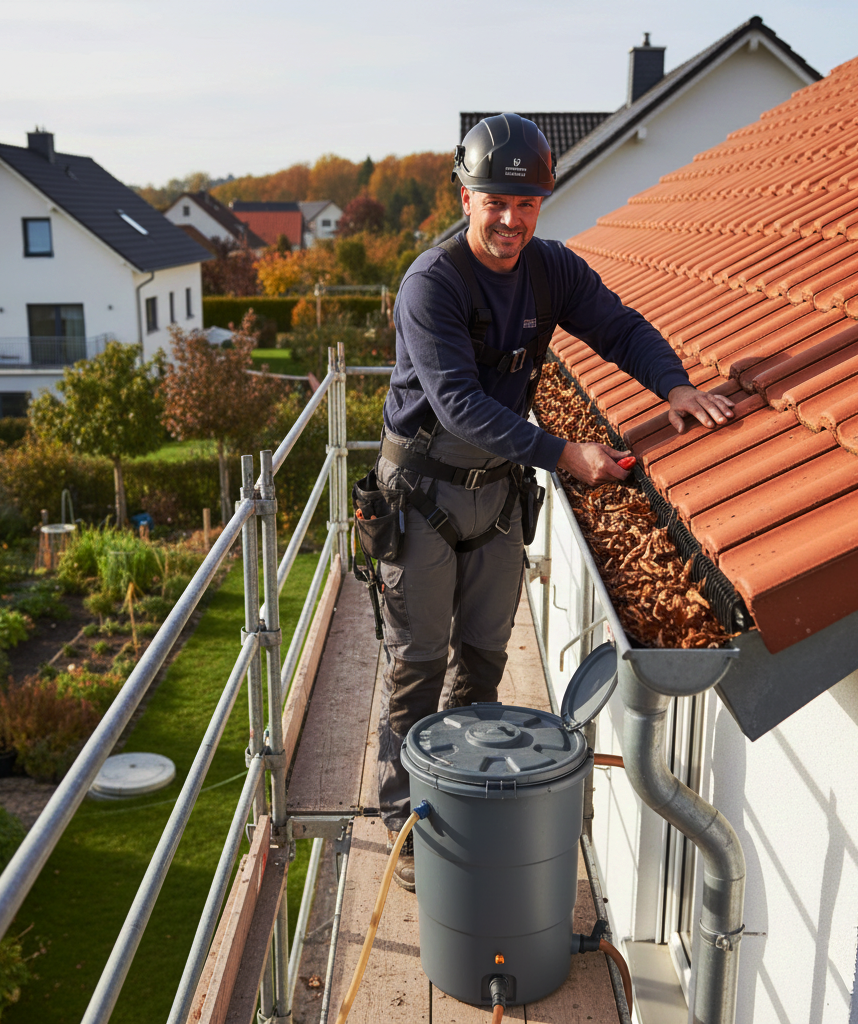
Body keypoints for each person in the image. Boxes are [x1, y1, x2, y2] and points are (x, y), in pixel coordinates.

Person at [369, 113, 733, 891]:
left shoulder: (549, 270)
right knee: (419, 662)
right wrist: (567, 454)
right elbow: (461, 404)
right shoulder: (431, 286)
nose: (510, 220)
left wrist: (671, 384)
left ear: (542, 204)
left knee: (484, 660)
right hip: (425, 491)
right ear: (464, 195)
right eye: (495, 201)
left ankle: (461, 792)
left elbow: (618, 326)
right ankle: (405, 819)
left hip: (496, 493)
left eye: (526, 204)